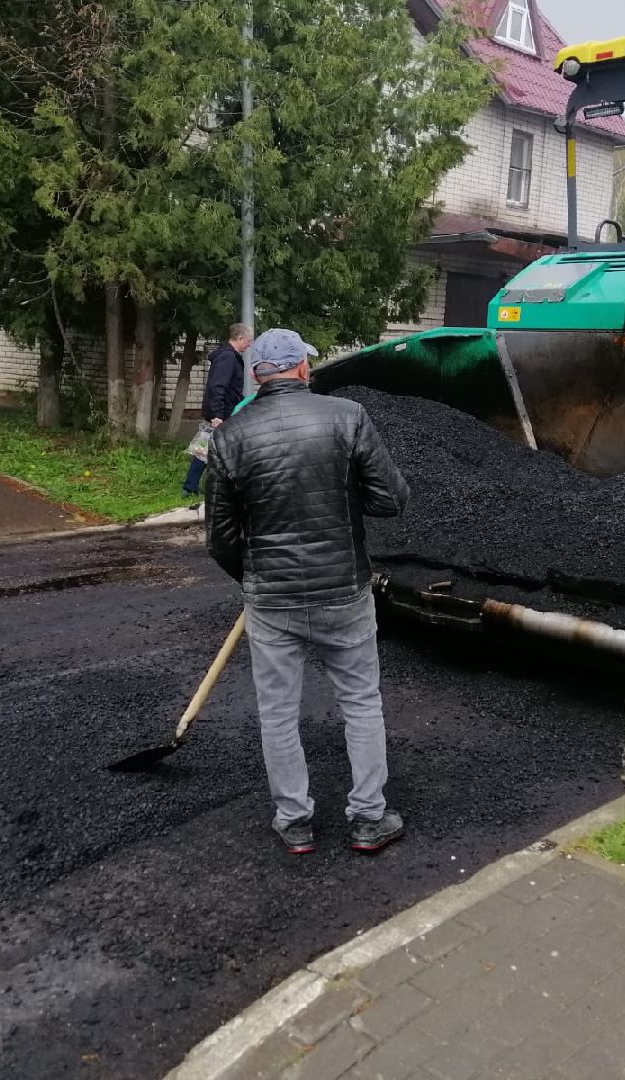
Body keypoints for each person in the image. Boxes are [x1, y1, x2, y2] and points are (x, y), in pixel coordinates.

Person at [205, 328, 411, 855]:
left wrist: (254, 578)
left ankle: (294, 821)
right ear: (301, 368)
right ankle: (369, 818)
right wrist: (346, 494)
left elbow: (220, 539)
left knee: (277, 712)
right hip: (344, 591)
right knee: (360, 702)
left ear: (257, 376)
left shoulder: (228, 437)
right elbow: (391, 500)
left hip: (271, 602)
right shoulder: (348, 417)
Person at [182, 323, 254, 499]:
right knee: (207, 449)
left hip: (223, 410)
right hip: (221, 413)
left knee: (207, 448)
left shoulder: (228, 355)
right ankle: (191, 488)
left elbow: (229, 388)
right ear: (240, 338)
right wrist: (217, 415)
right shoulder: (228, 357)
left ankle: (192, 486)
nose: (249, 345)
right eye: (248, 341)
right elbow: (217, 387)